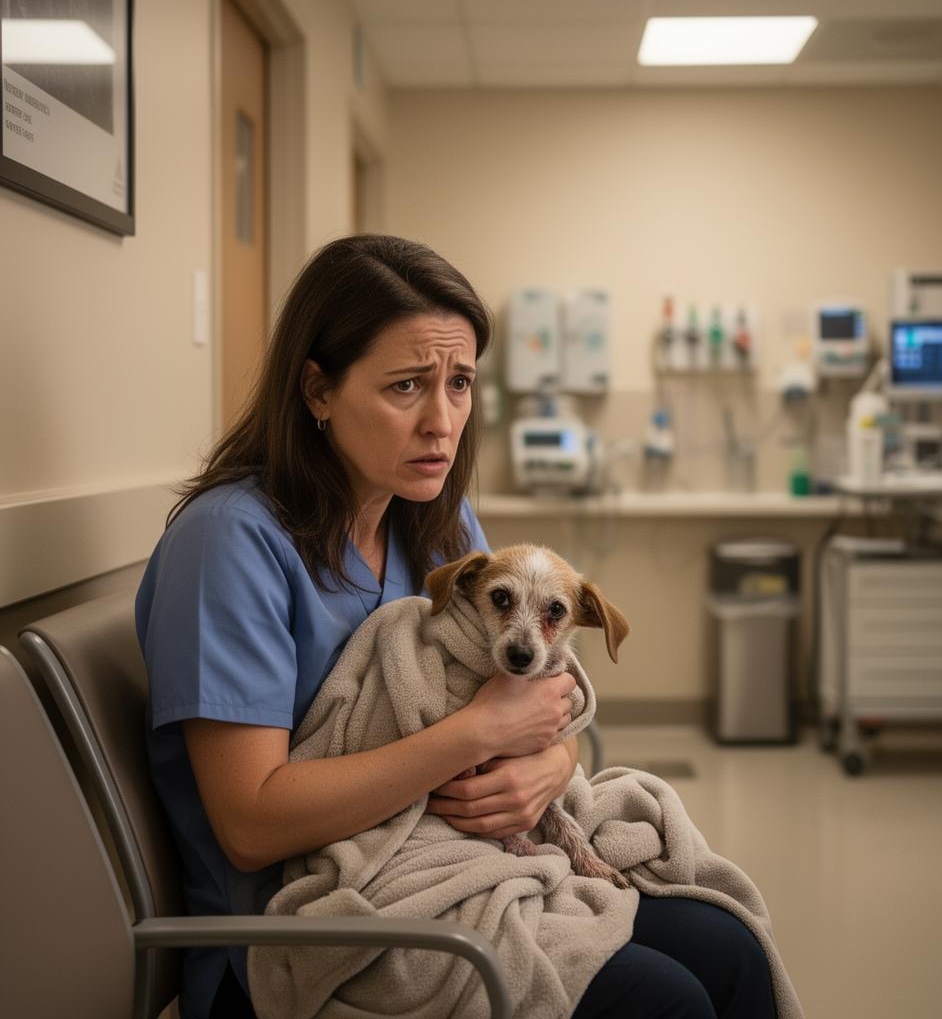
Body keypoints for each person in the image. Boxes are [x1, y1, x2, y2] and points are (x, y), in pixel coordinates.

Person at [138, 234, 775, 1019]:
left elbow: (523, 700)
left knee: (733, 949)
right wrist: (475, 738)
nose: (443, 422)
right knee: (668, 1002)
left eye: (461, 383)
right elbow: (250, 823)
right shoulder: (229, 544)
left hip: (464, 864)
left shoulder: (436, 526)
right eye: (407, 385)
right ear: (317, 391)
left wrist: (552, 762)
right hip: (302, 928)